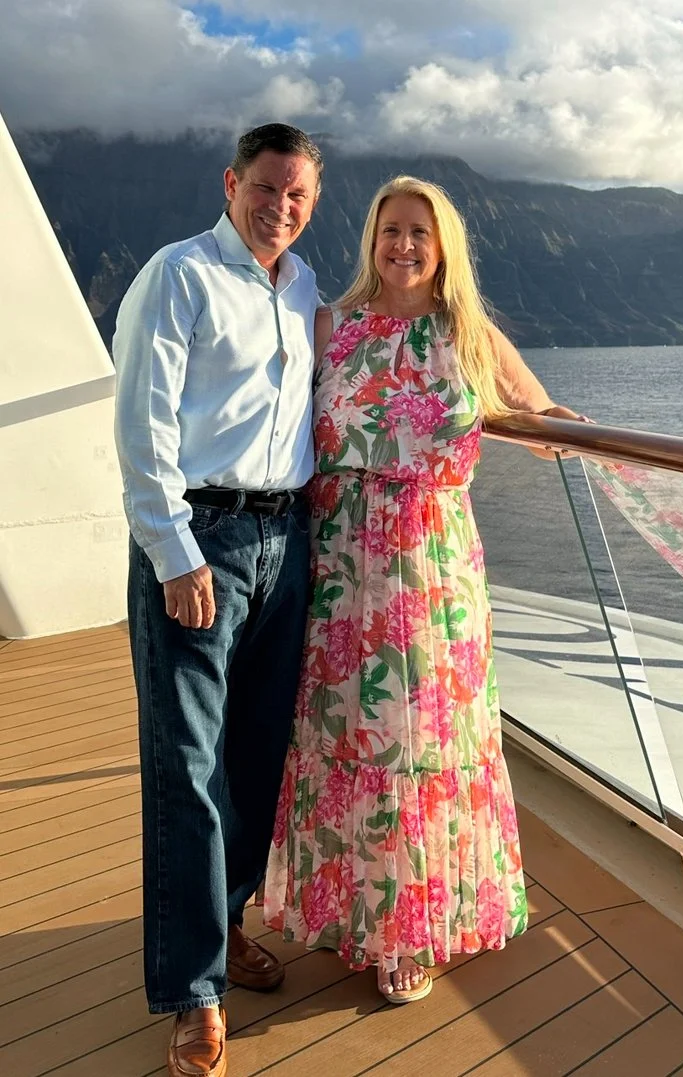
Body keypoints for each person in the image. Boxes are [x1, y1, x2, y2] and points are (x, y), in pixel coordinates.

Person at [263, 175, 588, 1002]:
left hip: (431, 572)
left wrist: (569, 431)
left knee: (420, 741)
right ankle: (350, 909)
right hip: (338, 568)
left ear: (443, 247)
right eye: (390, 230)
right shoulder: (331, 324)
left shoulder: (465, 332)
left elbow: (536, 409)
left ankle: (410, 929)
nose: (403, 245)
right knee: (347, 740)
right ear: (371, 239)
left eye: (420, 232)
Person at [113, 123, 322, 1077]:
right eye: (269, 187)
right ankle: (195, 993)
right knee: (186, 764)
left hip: (289, 538)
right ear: (232, 181)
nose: (283, 205)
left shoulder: (308, 283)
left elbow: (430, 313)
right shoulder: (180, 274)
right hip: (202, 541)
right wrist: (172, 549)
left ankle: (227, 925)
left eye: (301, 194)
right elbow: (143, 419)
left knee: (255, 757)